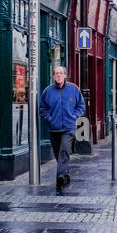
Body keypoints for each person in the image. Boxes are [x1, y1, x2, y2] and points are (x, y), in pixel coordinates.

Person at [39, 65, 85, 194]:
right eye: (56, 73)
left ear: (65, 75)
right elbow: (42, 108)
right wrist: (50, 118)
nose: (58, 75)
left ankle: (59, 177)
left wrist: (74, 116)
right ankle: (65, 172)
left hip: (69, 128)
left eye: (61, 73)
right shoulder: (48, 91)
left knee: (64, 151)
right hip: (54, 128)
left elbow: (81, 106)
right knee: (57, 154)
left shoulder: (74, 90)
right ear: (53, 76)